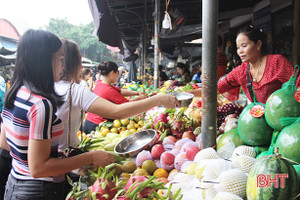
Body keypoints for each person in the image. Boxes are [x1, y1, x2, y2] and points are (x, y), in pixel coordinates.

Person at [1, 30, 115, 200]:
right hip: (39, 190)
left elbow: (6, 143)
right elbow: (39, 168)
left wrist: (58, 156)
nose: (63, 66)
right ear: (44, 61)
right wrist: (89, 157)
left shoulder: (17, 92)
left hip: (14, 184)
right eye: (60, 59)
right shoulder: (41, 105)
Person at [188, 25, 300, 104]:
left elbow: (298, 84)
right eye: (238, 47)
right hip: (260, 123)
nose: (240, 51)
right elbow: (215, 90)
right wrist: (187, 94)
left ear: (258, 44)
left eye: (244, 46)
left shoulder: (277, 63)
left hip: (284, 120)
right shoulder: (241, 71)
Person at [83, 61, 149, 134]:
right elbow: (127, 104)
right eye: (117, 73)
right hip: (96, 126)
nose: (117, 76)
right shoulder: (108, 90)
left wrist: (137, 93)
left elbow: (120, 91)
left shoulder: (100, 83)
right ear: (112, 73)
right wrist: (141, 98)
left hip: (88, 122)